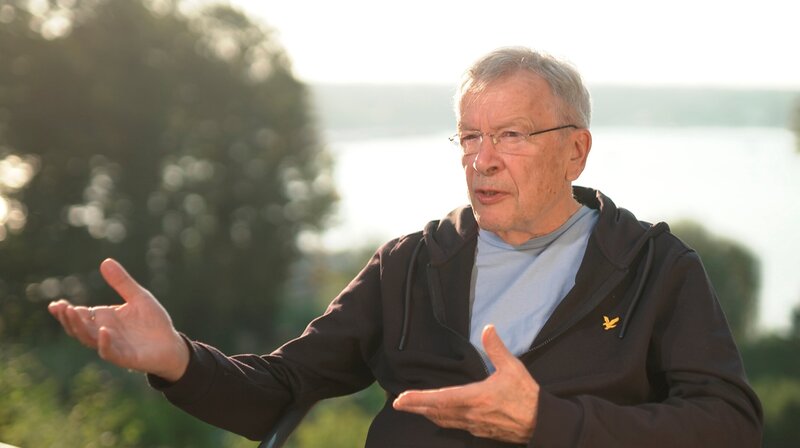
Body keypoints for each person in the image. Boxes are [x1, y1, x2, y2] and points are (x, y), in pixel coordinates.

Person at [49, 47, 763, 447]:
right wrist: (176, 358)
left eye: (511, 135)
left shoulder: (653, 269)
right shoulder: (412, 264)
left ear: (575, 150)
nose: (482, 160)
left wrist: (548, 422)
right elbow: (282, 390)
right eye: (469, 136)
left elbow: (728, 426)